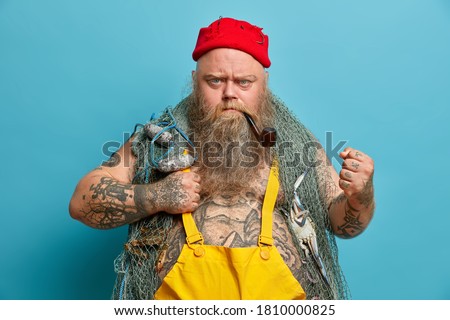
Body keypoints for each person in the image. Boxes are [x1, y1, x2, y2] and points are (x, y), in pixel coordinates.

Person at [69, 17, 375, 300]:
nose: (230, 93)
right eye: (215, 80)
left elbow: (343, 225)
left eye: (244, 82)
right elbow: (81, 203)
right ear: (194, 80)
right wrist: (156, 195)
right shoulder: (158, 138)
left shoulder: (297, 141)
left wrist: (361, 196)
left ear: (263, 83)